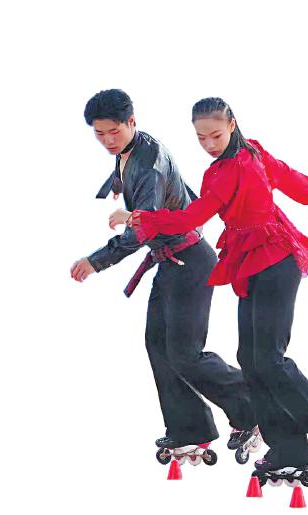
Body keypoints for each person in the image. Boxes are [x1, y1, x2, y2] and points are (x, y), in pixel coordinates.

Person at [129, 97, 308, 477]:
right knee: (250, 360)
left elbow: (283, 178)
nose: (209, 144)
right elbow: (198, 213)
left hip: (277, 260)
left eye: (215, 135)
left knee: (269, 358)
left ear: (232, 124)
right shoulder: (223, 169)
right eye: (201, 138)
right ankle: (287, 449)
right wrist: (149, 220)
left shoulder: (248, 157)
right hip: (248, 264)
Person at [70, 90, 258, 457]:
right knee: (158, 345)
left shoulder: (149, 164)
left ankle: (254, 409)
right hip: (170, 261)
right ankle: (190, 428)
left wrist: (96, 261)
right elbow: (135, 177)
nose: (107, 141)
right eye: (99, 134)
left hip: (190, 260)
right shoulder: (132, 150)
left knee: (186, 354)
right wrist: (114, 186)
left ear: (131, 122)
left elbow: (141, 228)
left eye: (114, 132)